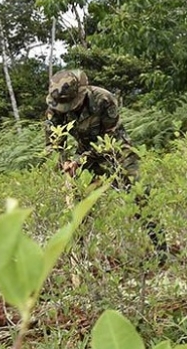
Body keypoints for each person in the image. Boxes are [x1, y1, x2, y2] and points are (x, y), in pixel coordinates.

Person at [44, 69, 168, 265]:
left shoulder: (102, 99)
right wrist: (64, 163)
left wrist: (79, 159)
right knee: (80, 204)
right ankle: (80, 259)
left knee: (138, 193)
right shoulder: (55, 107)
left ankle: (161, 249)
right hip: (84, 155)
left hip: (115, 149)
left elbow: (109, 137)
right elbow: (53, 143)